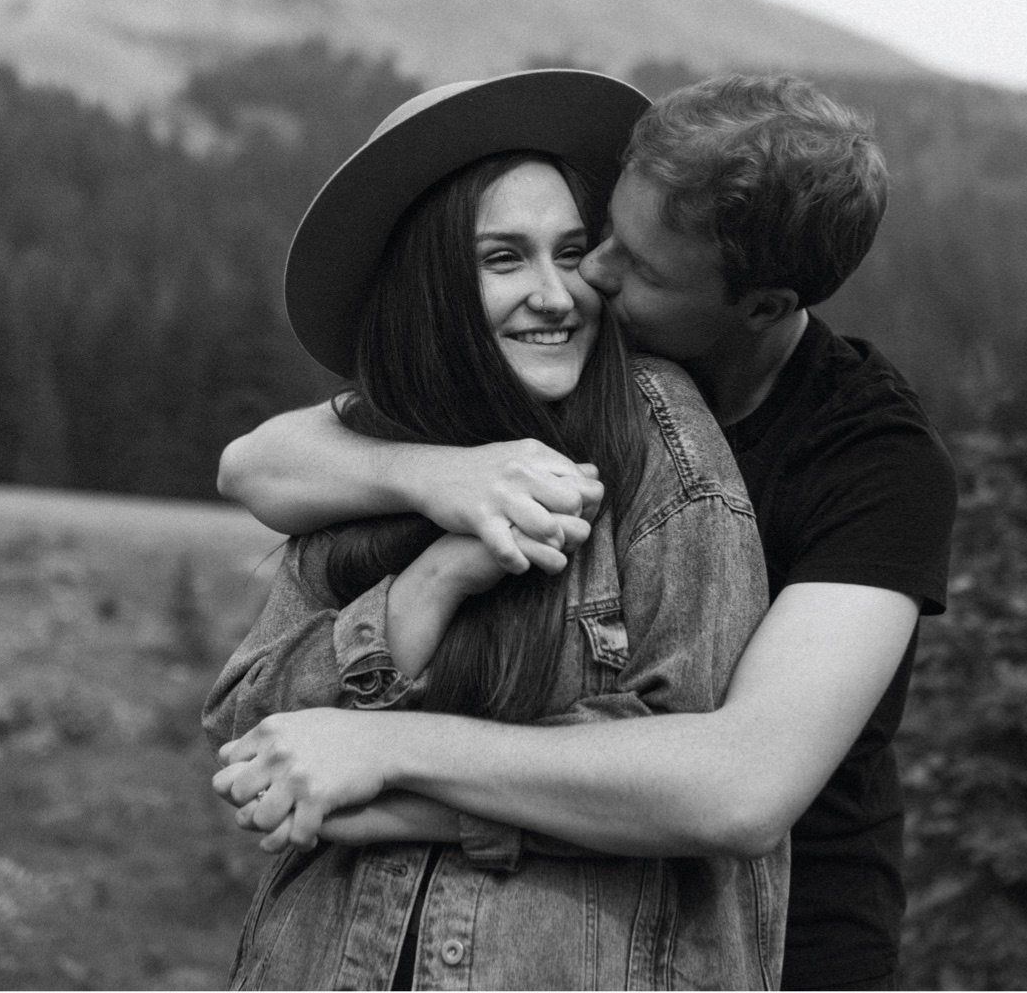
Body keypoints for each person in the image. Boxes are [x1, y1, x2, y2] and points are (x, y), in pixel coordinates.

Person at [214, 73, 958, 990]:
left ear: (761, 303)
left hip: (777, 944)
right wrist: (441, 483)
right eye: (604, 232)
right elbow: (256, 464)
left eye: (632, 265)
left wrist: (390, 763)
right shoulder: (535, 391)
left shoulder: (870, 463)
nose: (589, 278)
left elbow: (739, 787)